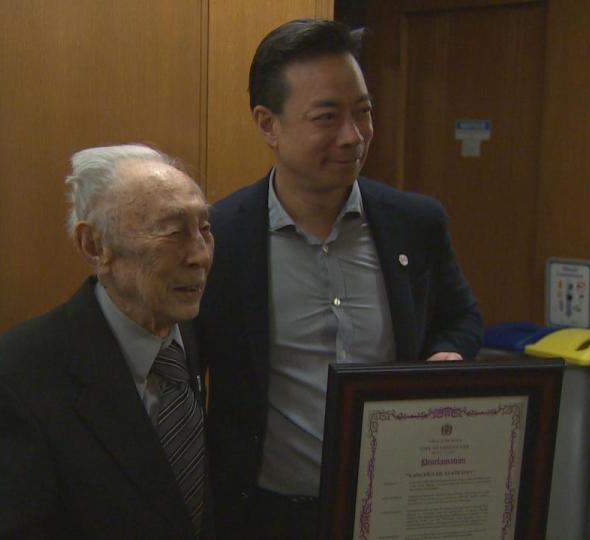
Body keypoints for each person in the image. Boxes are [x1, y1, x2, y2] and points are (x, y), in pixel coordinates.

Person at [196, 19, 483, 539]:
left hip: (396, 505)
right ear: (268, 124)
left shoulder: (414, 224)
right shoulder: (222, 238)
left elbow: (460, 317)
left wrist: (450, 356)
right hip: (267, 514)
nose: (353, 137)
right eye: (327, 117)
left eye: (363, 112)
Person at [0, 144, 215, 539]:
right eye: (173, 232)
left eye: (205, 229)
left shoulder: (194, 330)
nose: (200, 256)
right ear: (95, 246)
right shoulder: (14, 382)